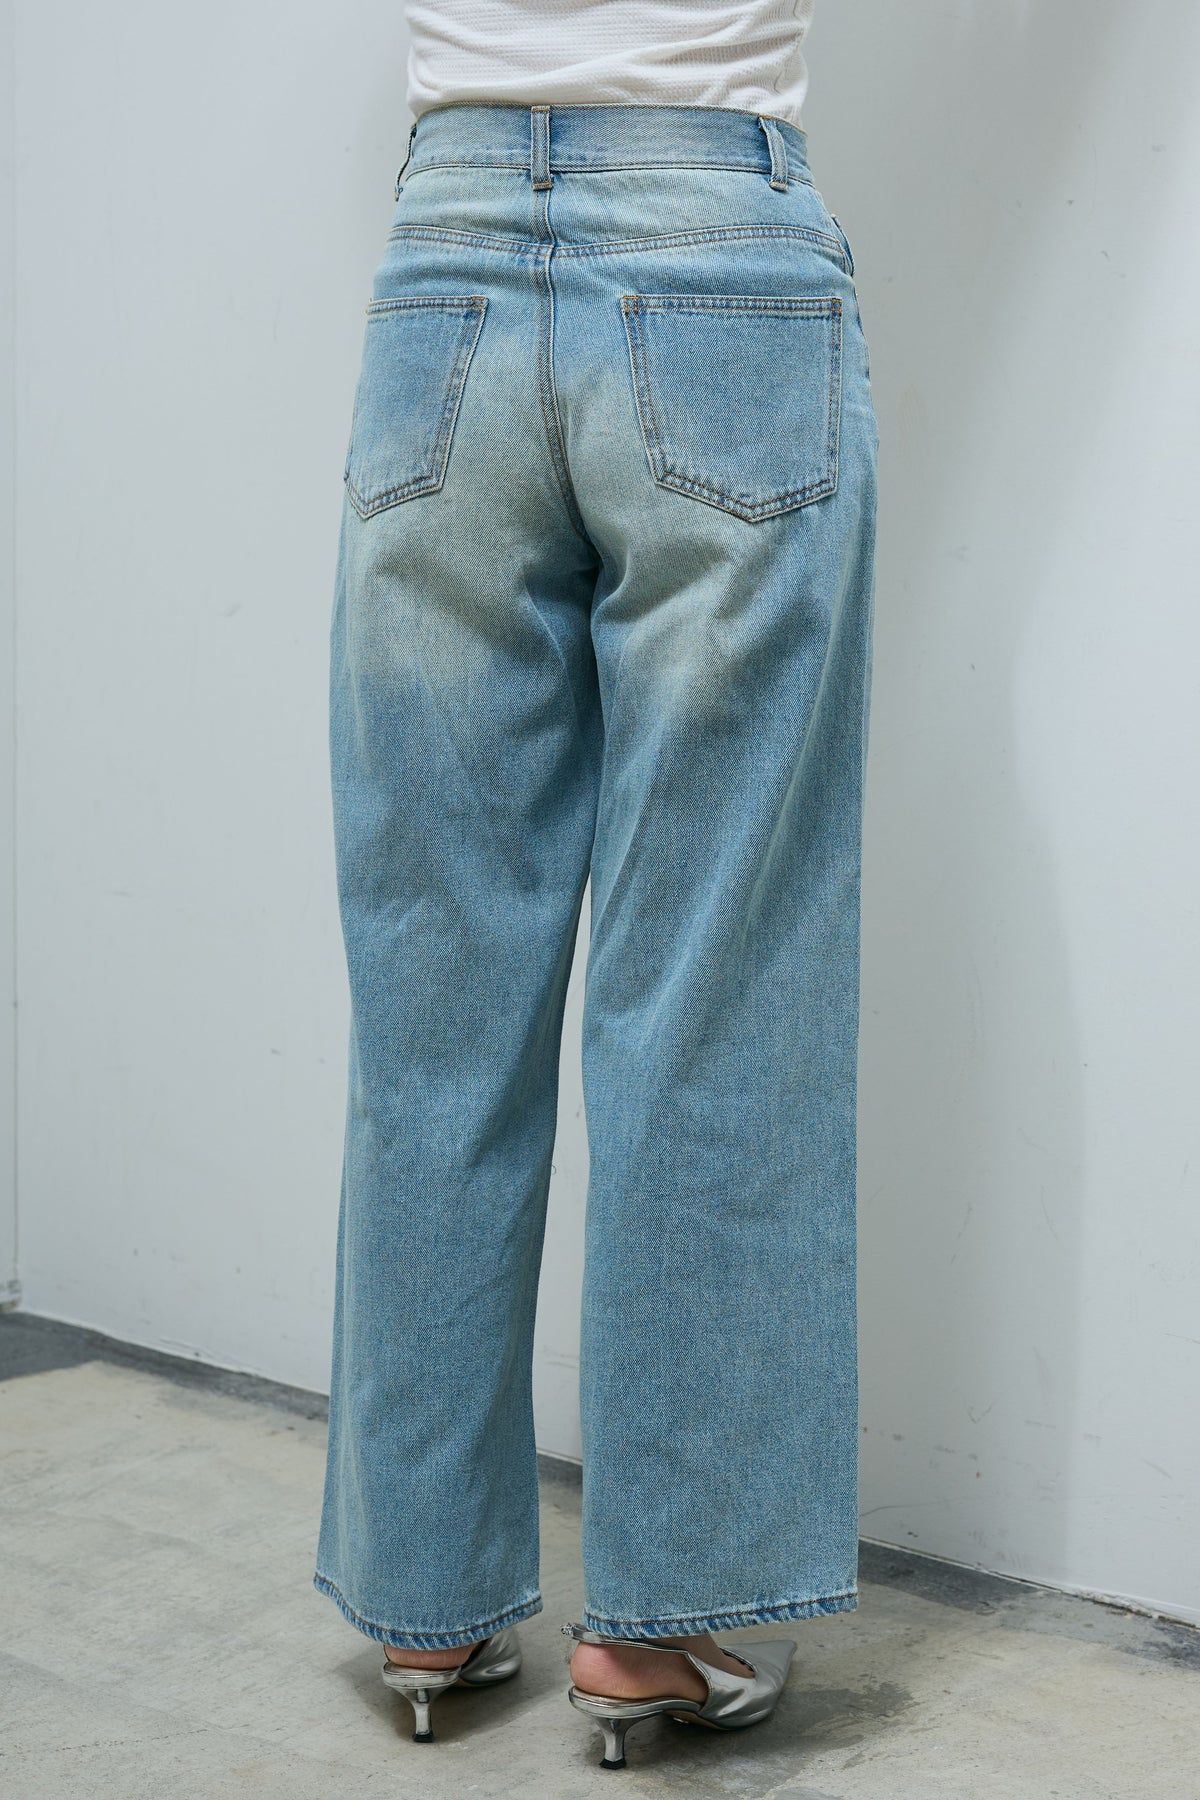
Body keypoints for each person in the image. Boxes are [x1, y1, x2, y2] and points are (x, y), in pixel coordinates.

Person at [313, 0, 879, 1771]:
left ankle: (425, 1597)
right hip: (720, 258)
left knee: (433, 989)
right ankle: (667, 1619)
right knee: (713, 980)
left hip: (447, 274)